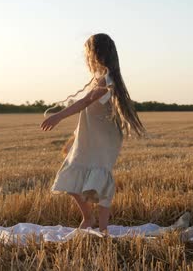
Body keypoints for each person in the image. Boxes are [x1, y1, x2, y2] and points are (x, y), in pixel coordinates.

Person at [40, 33, 146, 235]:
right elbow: (87, 111)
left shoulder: (107, 81)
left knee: (101, 182)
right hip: (90, 137)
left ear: (95, 54)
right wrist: (74, 138)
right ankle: (88, 218)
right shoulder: (98, 79)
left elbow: (85, 102)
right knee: (71, 178)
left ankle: (103, 229)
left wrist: (58, 117)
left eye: (87, 53)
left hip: (104, 139)